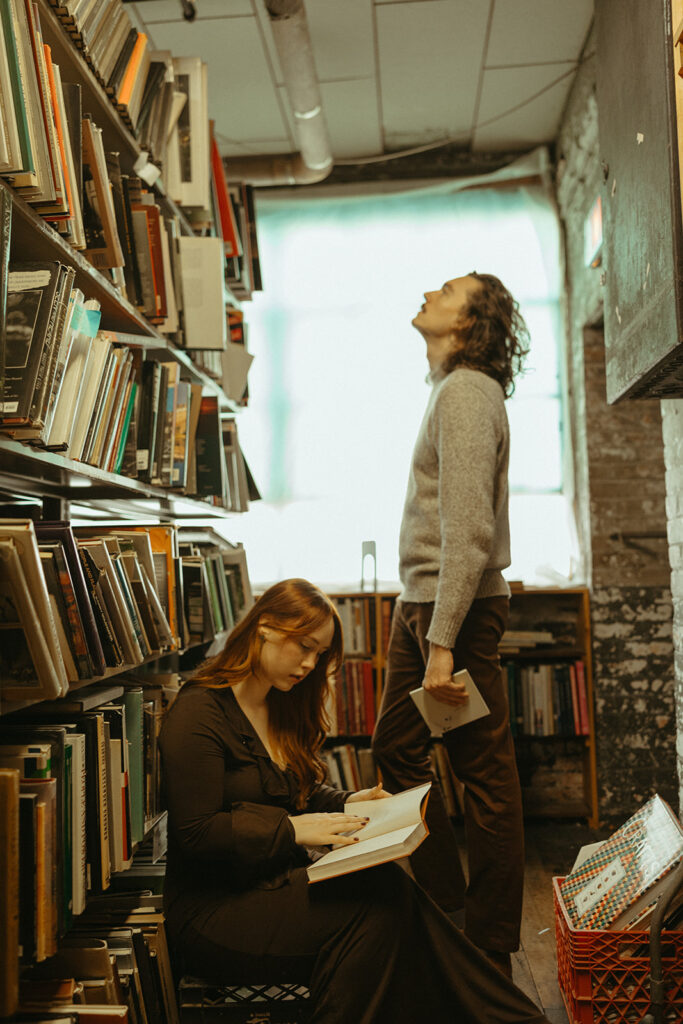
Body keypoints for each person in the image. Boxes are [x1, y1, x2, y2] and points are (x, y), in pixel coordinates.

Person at [160, 578, 549, 1024]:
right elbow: (195, 833)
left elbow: (292, 791)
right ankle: (510, 1017)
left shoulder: (276, 703)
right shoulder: (198, 712)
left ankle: (509, 1018)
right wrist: (291, 829)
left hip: (274, 885)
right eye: (304, 645)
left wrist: (348, 802)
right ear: (264, 626)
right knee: (374, 916)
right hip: (215, 914)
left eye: (320, 654)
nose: (309, 663)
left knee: (388, 891)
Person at [371, 272, 529, 978]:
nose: (429, 291)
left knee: (483, 776)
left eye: (447, 289)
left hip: (452, 615)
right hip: (427, 604)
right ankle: (444, 910)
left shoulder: (466, 392)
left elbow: (467, 530)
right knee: (397, 748)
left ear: (472, 323)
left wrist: (440, 643)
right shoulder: (450, 389)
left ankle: (486, 941)